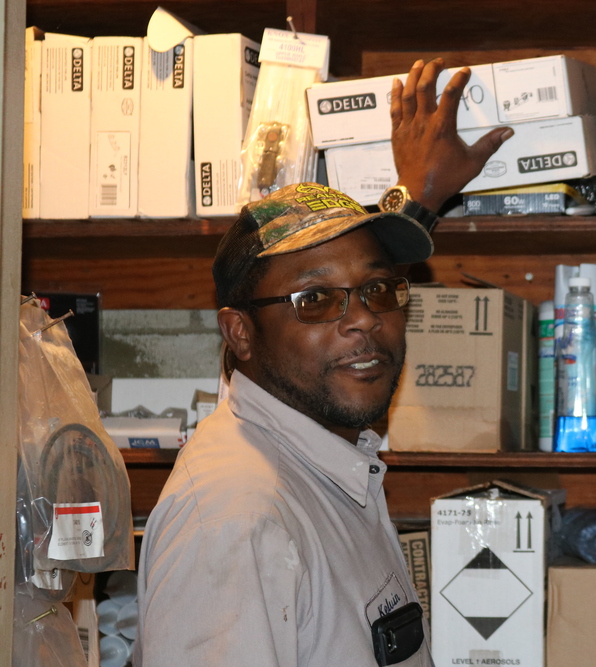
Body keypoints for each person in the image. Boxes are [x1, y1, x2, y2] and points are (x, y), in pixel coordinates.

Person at [135, 59, 514, 666]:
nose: (363, 318)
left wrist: (418, 199)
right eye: (314, 300)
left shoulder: (321, 454)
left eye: (380, 289)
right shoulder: (240, 521)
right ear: (241, 333)